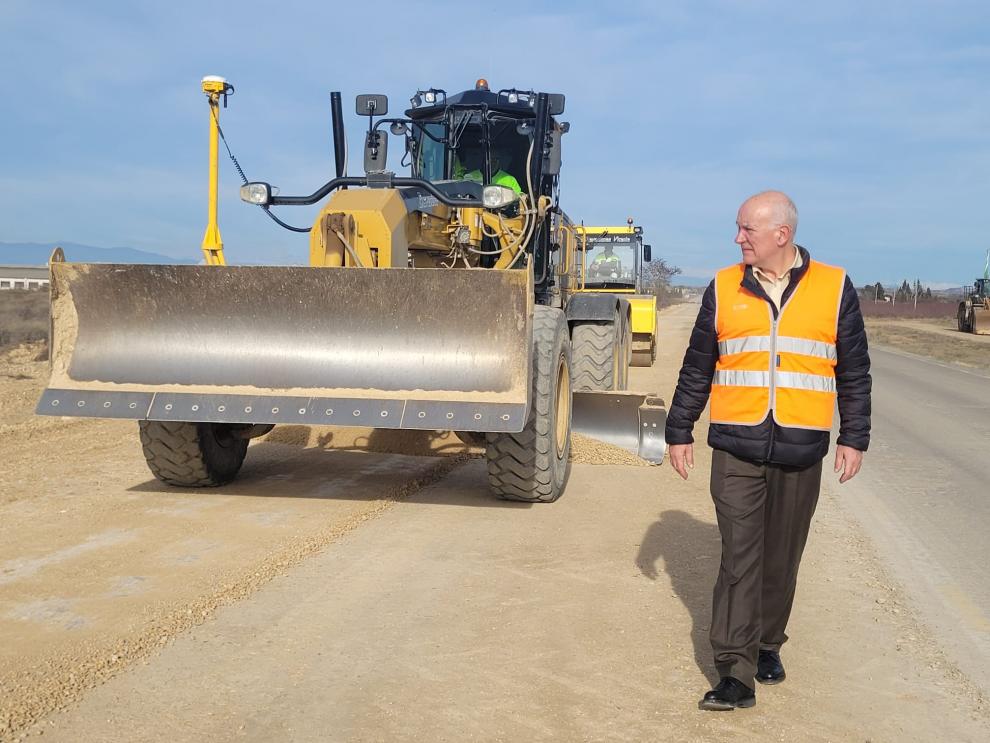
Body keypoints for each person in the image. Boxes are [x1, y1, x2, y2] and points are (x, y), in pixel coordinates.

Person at [665, 190, 871, 711]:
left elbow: (854, 371)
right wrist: (679, 428)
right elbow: (697, 366)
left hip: (801, 448)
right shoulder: (722, 286)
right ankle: (734, 671)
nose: (738, 239)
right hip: (736, 444)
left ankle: (767, 644)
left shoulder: (835, 286)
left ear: (782, 234)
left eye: (746, 230)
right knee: (739, 558)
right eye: (738, 228)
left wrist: (853, 437)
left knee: (781, 557)